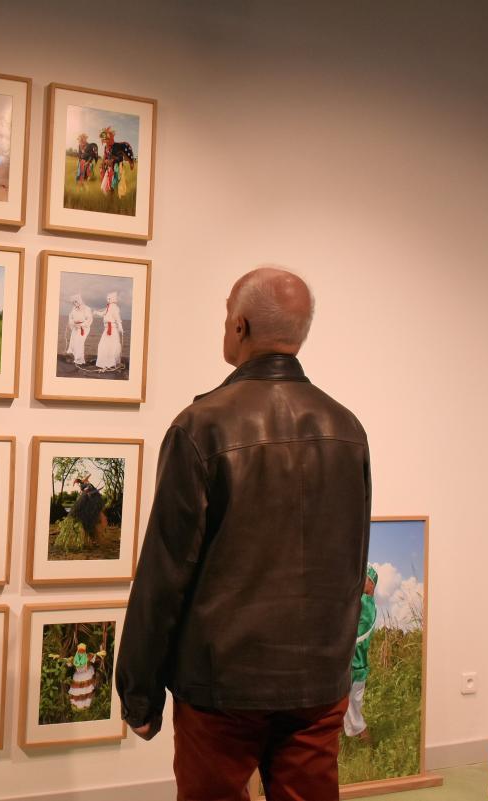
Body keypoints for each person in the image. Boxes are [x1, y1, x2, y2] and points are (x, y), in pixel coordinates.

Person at [116, 266, 371, 801]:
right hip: (318, 683)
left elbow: (165, 572)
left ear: (241, 326)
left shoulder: (201, 426)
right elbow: (352, 562)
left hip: (222, 686)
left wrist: (139, 693)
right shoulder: (347, 428)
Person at [344, 564, 379, 745]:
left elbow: (354, 633)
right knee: (346, 709)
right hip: (356, 666)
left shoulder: (365, 604)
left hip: (355, 667)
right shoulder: (367, 604)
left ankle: (369, 747)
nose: (361, 581)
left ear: (372, 584)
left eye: (365, 578)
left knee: (353, 714)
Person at [51, 642, 107, 711]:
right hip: (78, 676)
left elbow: (95, 657)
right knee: (78, 692)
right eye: (80, 650)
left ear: (84, 650)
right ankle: (78, 706)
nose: (81, 651)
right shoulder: (74, 658)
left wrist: (100, 653)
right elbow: (66, 660)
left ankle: (86, 704)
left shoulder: (88, 656)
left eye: (82, 650)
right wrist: (58, 657)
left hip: (86, 674)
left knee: (87, 690)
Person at [94, 291, 123, 370]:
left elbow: (117, 318)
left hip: (112, 330)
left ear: (113, 299)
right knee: (103, 345)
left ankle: (111, 363)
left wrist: (120, 327)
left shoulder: (115, 308)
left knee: (112, 346)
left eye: (109, 298)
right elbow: (103, 313)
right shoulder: (108, 307)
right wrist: (96, 312)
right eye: (107, 298)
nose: (108, 300)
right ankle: (104, 363)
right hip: (106, 330)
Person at [66, 294, 94, 364]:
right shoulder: (74, 309)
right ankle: (77, 358)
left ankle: (79, 360)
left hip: (83, 328)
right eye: (73, 302)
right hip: (75, 328)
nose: (74, 303)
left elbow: (89, 319)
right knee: (74, 342)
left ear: (79, 301)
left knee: (79, 342)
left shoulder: (87, 309)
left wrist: (81, 325)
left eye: (75, 301)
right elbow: (71, 317)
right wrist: (73, 323)